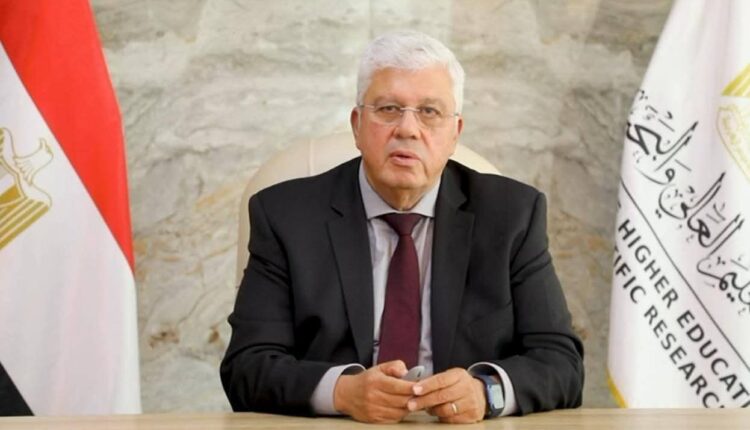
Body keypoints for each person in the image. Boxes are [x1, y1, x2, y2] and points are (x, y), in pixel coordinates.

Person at [221, 30, 584, 424]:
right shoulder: (286, 216)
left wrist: (486, 391)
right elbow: (246, 366)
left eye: (429, 111)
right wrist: (342, 393)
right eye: (389, 109)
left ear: (455, 133)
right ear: (357, 125)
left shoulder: (512, 215)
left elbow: (560, 362)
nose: (408, 129)